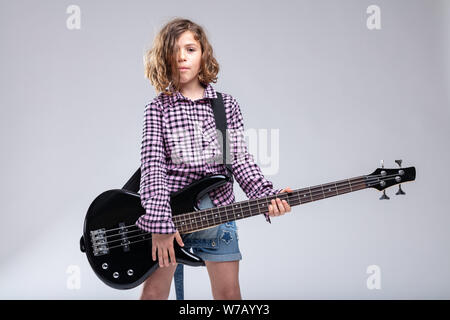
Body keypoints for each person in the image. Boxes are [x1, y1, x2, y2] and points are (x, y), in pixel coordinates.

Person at [135, 17, 292, 300]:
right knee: (154, 294)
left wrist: (269, 198)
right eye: (174, 50)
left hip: (219, 215)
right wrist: (159, 227)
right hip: (170, 220)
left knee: (229, 295)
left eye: (190, 49)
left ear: (203, 54)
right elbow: (153, 170)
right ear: (164, 57)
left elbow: (240, 161)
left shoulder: (225, 105)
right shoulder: (157, 109)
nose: (182, 57)